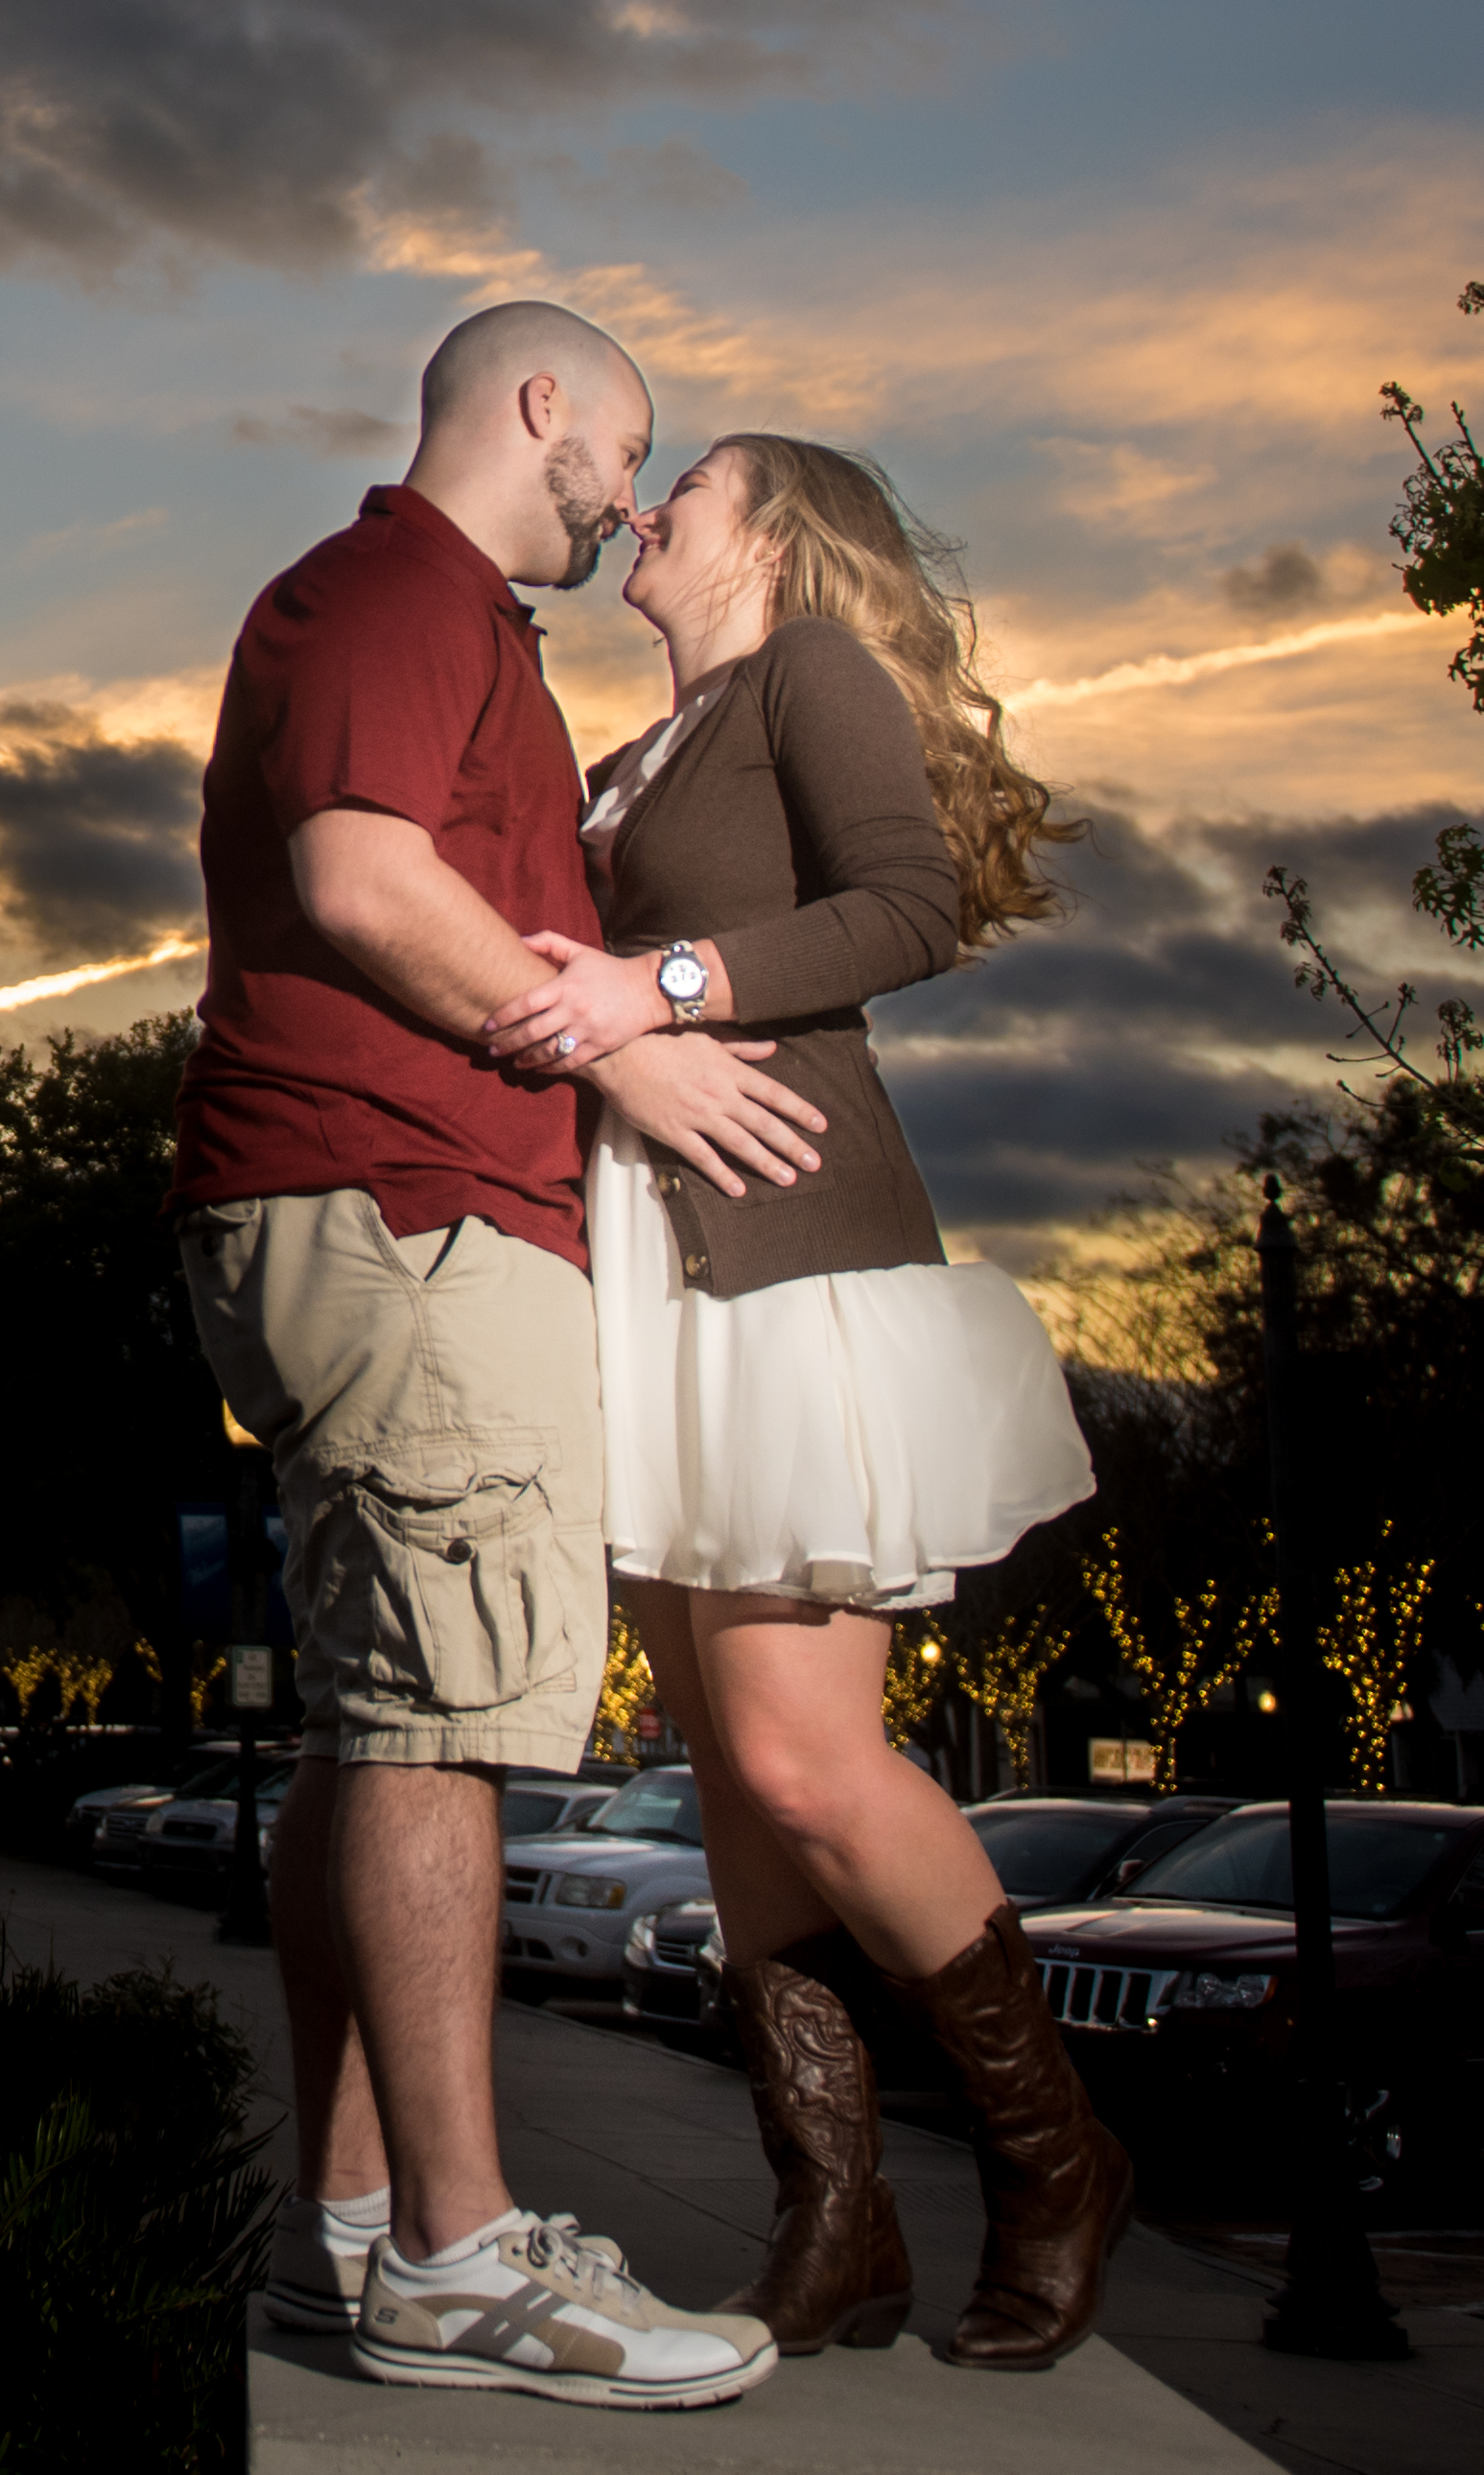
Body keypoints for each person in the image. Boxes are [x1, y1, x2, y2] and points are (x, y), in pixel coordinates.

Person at [167, 303, 834, 2410]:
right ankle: (461, 2263)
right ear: (534, 404)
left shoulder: (450, 627)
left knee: (385, 1718)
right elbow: (359, 877)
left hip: (389, 1205)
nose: (629, 494)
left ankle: (349, 2230)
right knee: (439, 1722)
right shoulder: (396, 590)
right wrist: (623, 1047)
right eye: (621, 447)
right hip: (408, 1205)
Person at [479, 435, 1117, 2369]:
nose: (648, 505)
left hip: (787, 1258)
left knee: (798, 1763)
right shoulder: (639, 749)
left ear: (779, 538)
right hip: (656, 1281)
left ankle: (1059, 2156)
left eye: (691, 482)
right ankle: (831, 2214)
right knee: (730, 1796)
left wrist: (654, 980)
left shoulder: (802, 680)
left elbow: (907, 906)